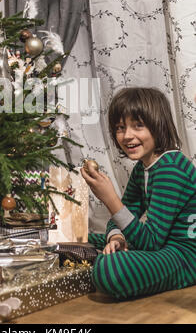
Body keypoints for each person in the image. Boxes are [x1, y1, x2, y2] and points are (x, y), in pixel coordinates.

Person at [81, 87, 196, 300]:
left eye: (138, 126)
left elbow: (151, 241)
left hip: (186, 258)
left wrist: (110, 199)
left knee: (110, 270)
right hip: (162, 247)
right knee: (83, 239)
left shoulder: (171, 168)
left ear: (158, 126)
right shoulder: (143, 168)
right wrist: (117, 237)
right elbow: (123, 217)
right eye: (120, 128)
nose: (127, 136)